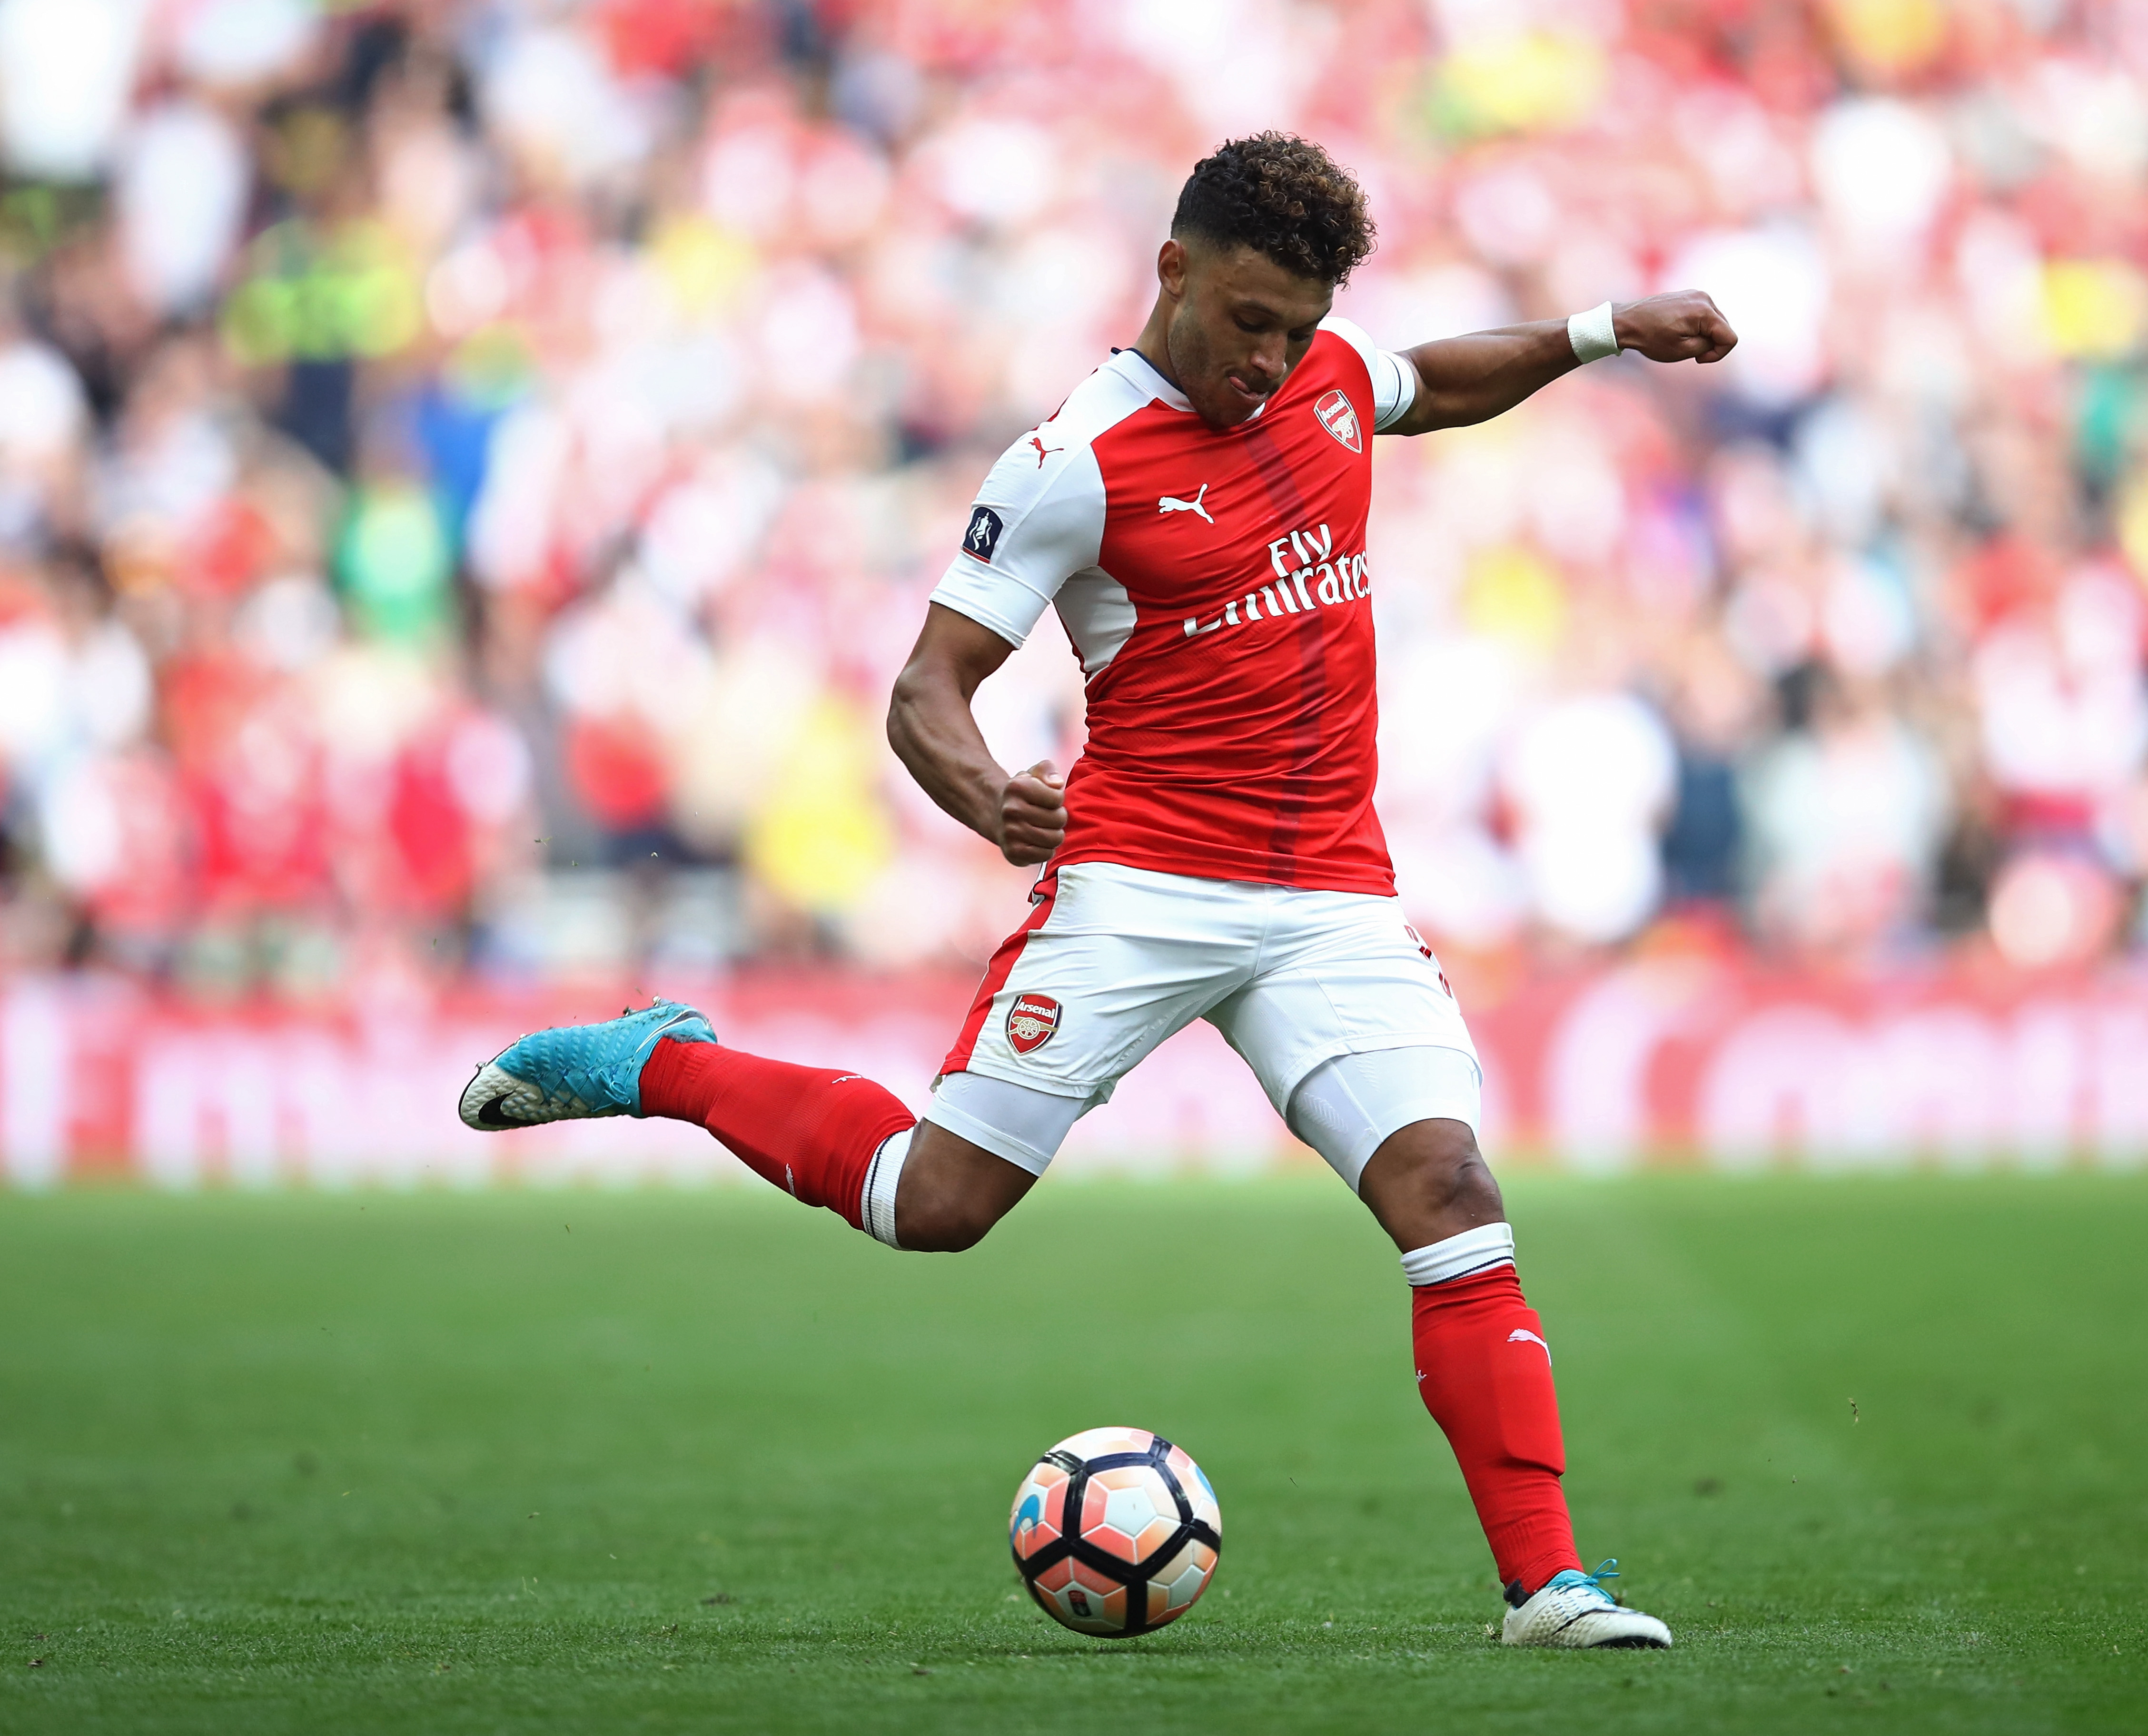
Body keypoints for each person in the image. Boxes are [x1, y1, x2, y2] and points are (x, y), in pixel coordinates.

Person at [461, 133, 1734, 1649]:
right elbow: (927, 689)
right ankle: (665, 1062)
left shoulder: (1327, 378)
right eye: (1248, 320)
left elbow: (1438, 384)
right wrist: (986, 787)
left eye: (1299, 328)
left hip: (1330, 894)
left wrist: (1601, 334)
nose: (1270, 360)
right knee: (931, 1206)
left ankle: (1549, 1588)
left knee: (1454, 1200)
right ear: (1174, 270)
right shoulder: (1074, 465)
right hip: (1140, 885)